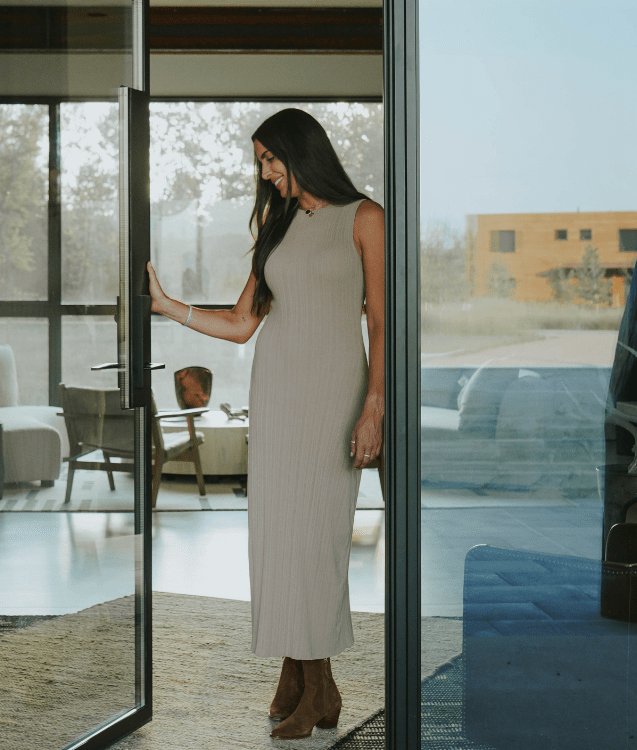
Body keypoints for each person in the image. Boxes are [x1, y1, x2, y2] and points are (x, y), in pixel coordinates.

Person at [146, 108, 384, 740]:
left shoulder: (364, 218)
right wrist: (171, 307)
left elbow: (382, 323)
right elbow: (243, 322)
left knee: (317, 538)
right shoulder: (278, 224)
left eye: (272, 159)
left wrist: (374, 405)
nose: (266, 172)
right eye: (260, 162)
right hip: (276, 391)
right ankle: (311, 681)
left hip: (335, 393)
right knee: (276, 536)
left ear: (303, 152)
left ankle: (316, 682)